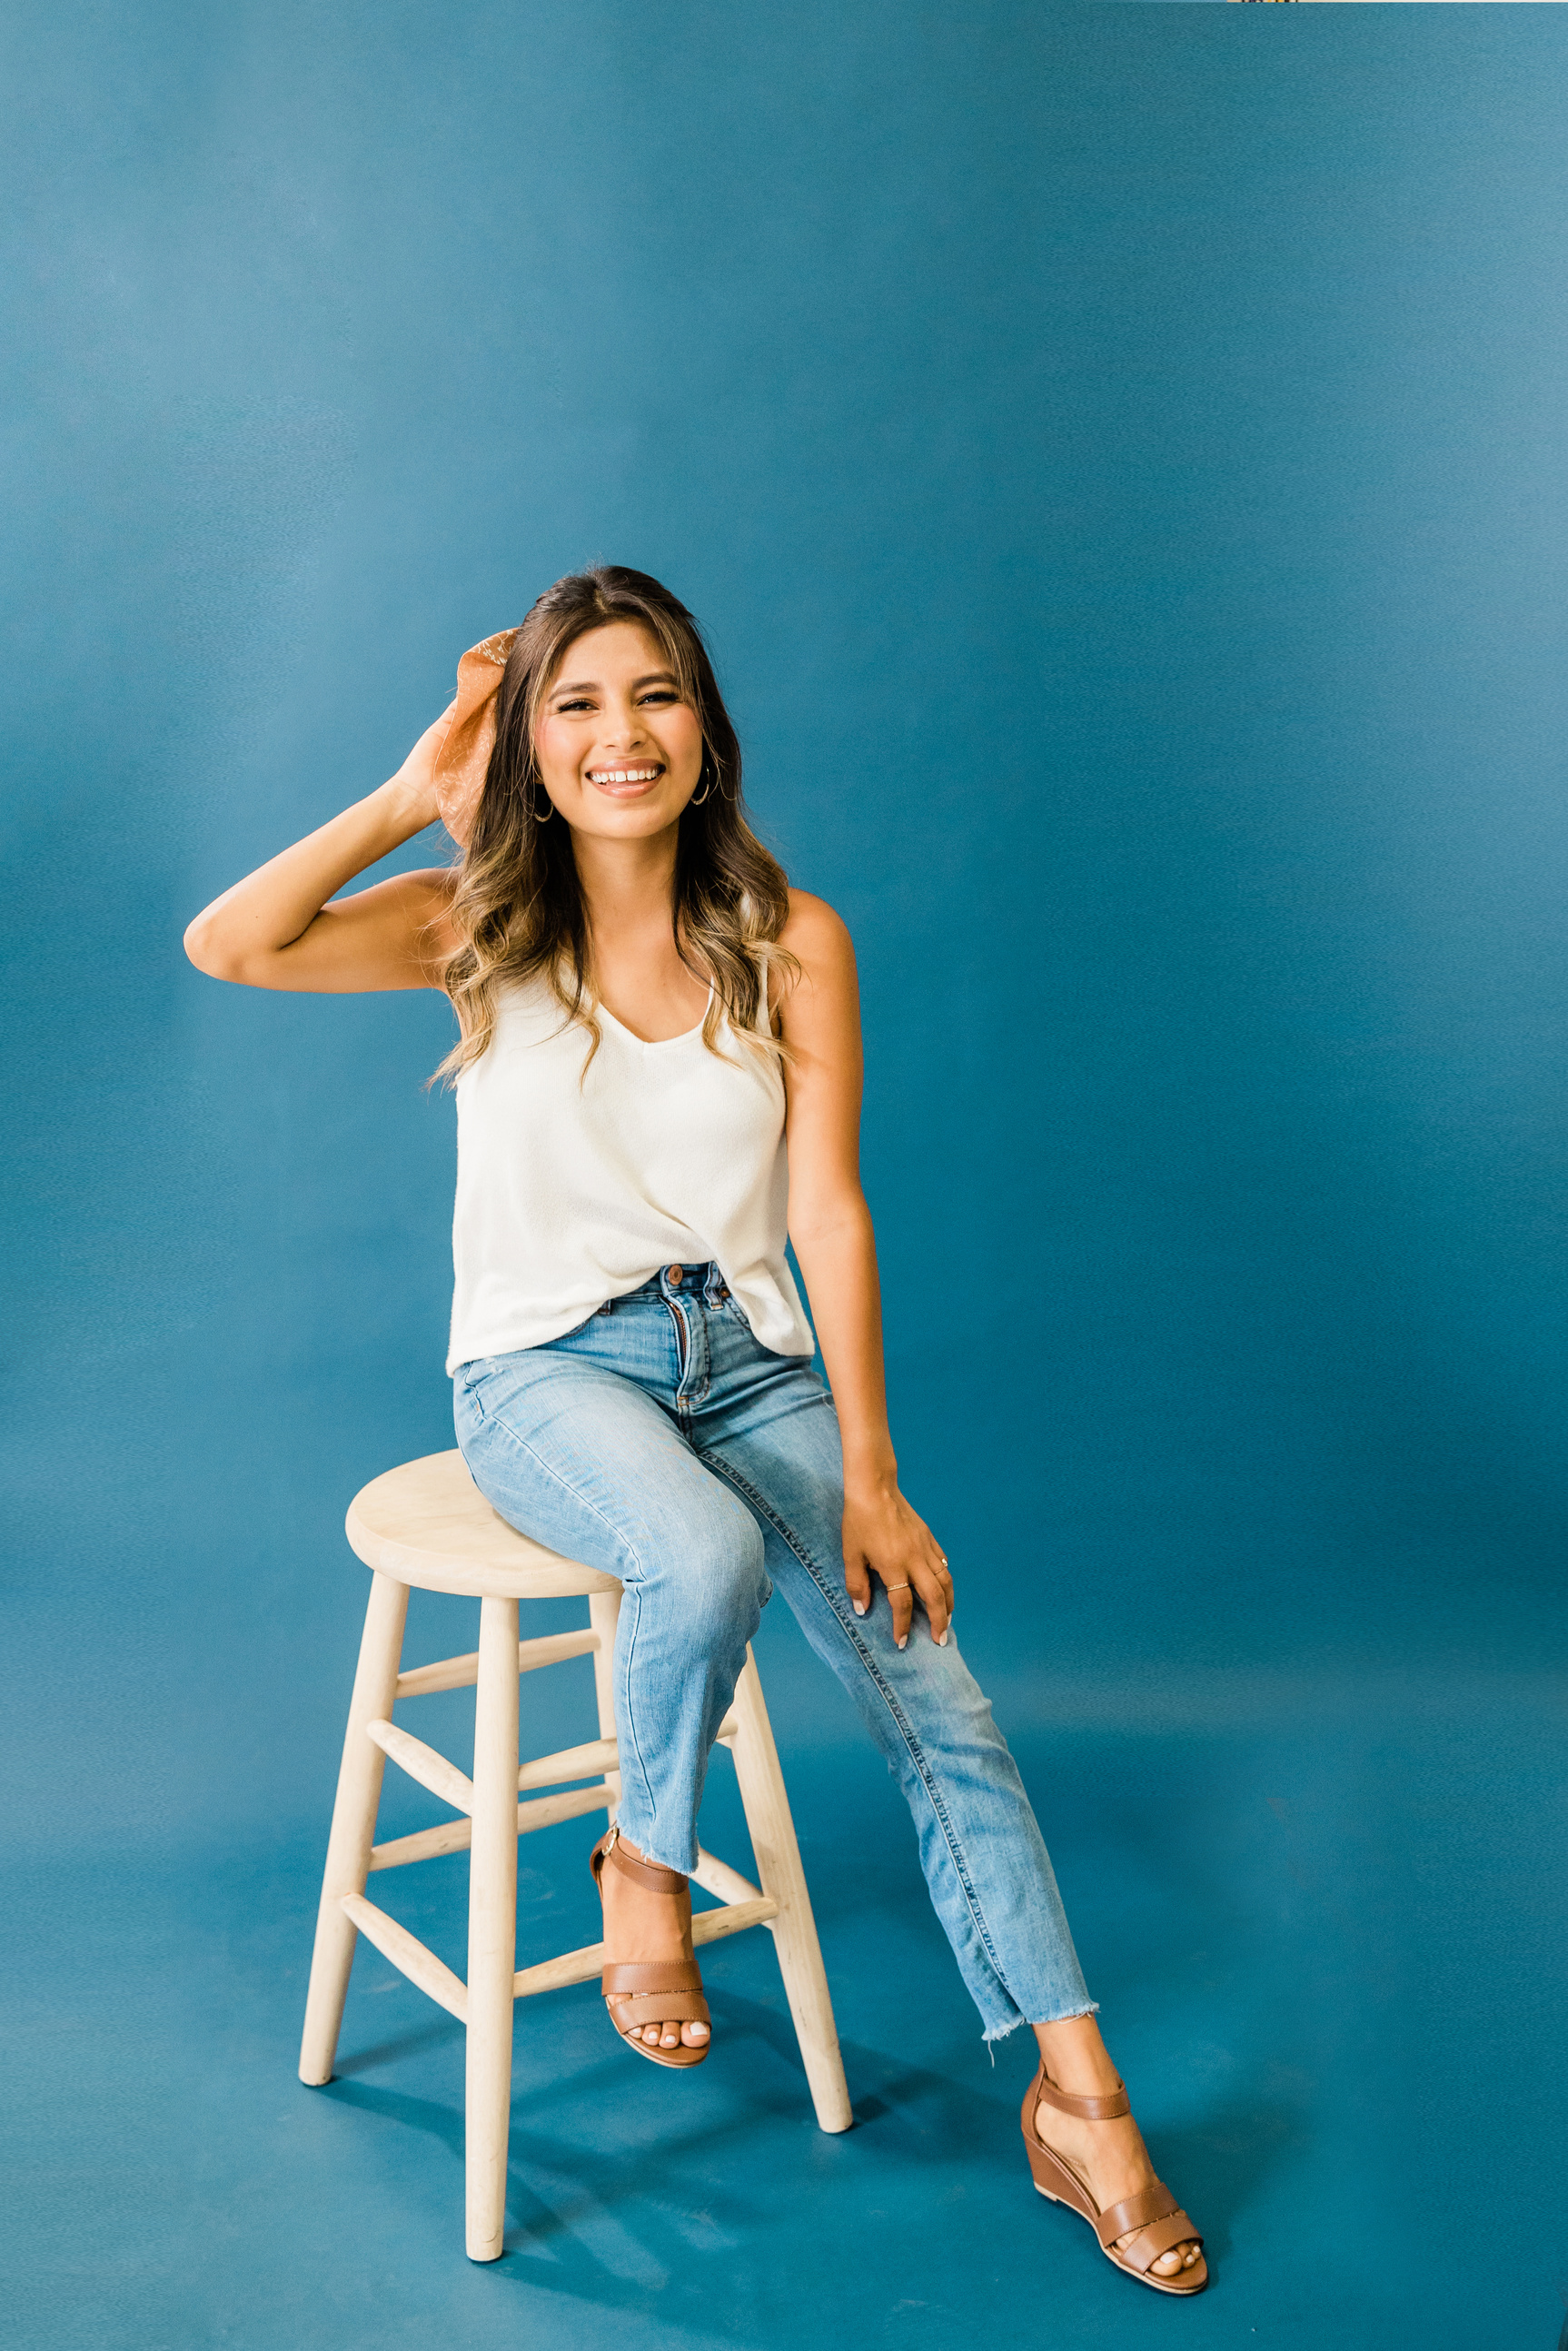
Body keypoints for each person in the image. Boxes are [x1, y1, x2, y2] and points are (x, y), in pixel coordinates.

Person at [183, 566, 1206, 2296]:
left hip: (748, 1357)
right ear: (528, 744)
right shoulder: (473, 929)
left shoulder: (792, 940)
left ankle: (1079, 2102)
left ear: (703, 729)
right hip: (544, 1370)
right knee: (699, 1550)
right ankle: (645, 1864)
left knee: (943, 1701)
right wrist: (413, 786)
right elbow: (232, 943)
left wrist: (872, 1473)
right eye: (574, 704)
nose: (620, 735)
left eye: (652, 694)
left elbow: (827, 1213)